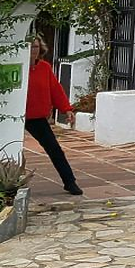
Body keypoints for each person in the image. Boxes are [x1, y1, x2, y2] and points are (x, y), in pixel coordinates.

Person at [26, 38, 83, 195]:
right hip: (18, 116)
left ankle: (70, 182)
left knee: (54, 149)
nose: (33, 50)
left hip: (37, 117)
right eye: (30, 47)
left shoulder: (44, 67)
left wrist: (66, 109)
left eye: (36, 47)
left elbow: (55, 89)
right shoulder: (19, 67)